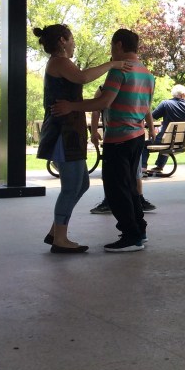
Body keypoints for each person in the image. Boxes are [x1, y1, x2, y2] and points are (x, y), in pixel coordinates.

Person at [52, 28, 155, 253]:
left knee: (117, 190)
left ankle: (130, 236)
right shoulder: (147, 73)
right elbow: (146, 107)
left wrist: (71, 106)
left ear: (118, 45)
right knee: (131, 187)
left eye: (111, 46)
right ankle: (140, 230)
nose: (110, 52)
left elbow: (103, 102)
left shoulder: (120, 71)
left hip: (118, 138)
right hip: (137, 137)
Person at [35, 23, 130, 254]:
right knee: (71, 187)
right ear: (62, 41)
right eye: (72, 39)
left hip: (70, 131)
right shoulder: (60, 62)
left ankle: (56, 231)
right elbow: (83, 77)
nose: (74, 43)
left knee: (82, 183)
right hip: (62, 132)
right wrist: (113, 64)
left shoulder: (60, 63)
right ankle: (60, 239)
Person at [88, 85, 156, 214]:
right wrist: (94, 131)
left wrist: (151, 128)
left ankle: (136, 199)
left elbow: (146, 108)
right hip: (119, 135)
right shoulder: (105, 88)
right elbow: (96, 110)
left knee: (132, 170)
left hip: (128, 135)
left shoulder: (133, 87)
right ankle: (114, 199)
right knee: (120, 171)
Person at [144, 84, 185, 174]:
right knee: (168, 138)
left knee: (143, 144)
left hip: (167, 139)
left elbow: (151, 117)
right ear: (182, 95)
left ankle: (143, 168)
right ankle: (159, 166)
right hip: (181, 140)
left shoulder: (166, 103)